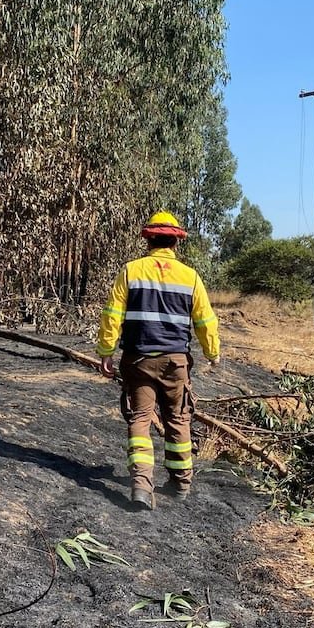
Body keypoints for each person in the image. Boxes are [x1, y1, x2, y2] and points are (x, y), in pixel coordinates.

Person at [96, 211, 220, 510]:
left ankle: (140, 486)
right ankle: (180, 484)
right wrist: (212, 353)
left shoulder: (131, 271)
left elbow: (112, 315)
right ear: (176, 242)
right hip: (175, 362)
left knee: (140, 419)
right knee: (177, 419)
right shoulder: (190, 276)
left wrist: (105, 352)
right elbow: (205, 320)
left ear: (149, 239)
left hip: (137, 360)